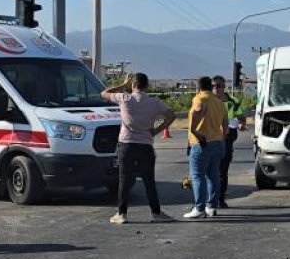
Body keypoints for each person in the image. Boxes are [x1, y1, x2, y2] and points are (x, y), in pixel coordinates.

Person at [102, 72, 177, 225]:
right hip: (145, 144)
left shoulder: (124, 98)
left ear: (133, 85)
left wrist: (123, 85)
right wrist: (156, 130)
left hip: (126, 144)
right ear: (147, 86)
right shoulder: (154, 101)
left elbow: (104, 93)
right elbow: (171, 116)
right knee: (149, 181)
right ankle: (156, 212)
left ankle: (122, 214)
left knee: (124, 180)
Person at [185, 75, 228, 218]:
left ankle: (199, 208)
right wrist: (221, 138)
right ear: (211, 87)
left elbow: (197, 111)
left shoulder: (200, 98)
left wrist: (193, 130)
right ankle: (211, 206)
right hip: (218, 143)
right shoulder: (219, 102)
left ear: (198, 87)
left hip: (202, 142)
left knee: (197, 176)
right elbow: (225, 125)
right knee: (213, 175)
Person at [212, 75, 245, 209]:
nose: (215, 89)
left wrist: (241, 124)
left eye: (218, 86)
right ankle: (209, 199)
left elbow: (241, 117)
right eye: (213, 86)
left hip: (227, 136)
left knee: (222, 169)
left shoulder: (232, 101)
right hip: (211, 137)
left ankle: (220, 198)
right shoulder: (208, 101)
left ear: (224, 87)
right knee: (210, 170)